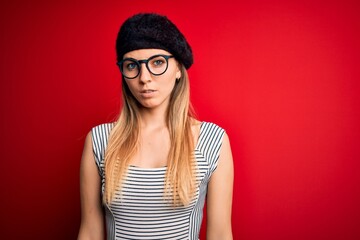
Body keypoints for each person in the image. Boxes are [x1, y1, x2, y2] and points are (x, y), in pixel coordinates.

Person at [78, 13, 234, 240]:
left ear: (179, 69)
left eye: (157, 62)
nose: (144, 77)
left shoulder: (212, 140)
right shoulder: (100, 140)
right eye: (132, 65)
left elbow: (220, 234)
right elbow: (90, 233)